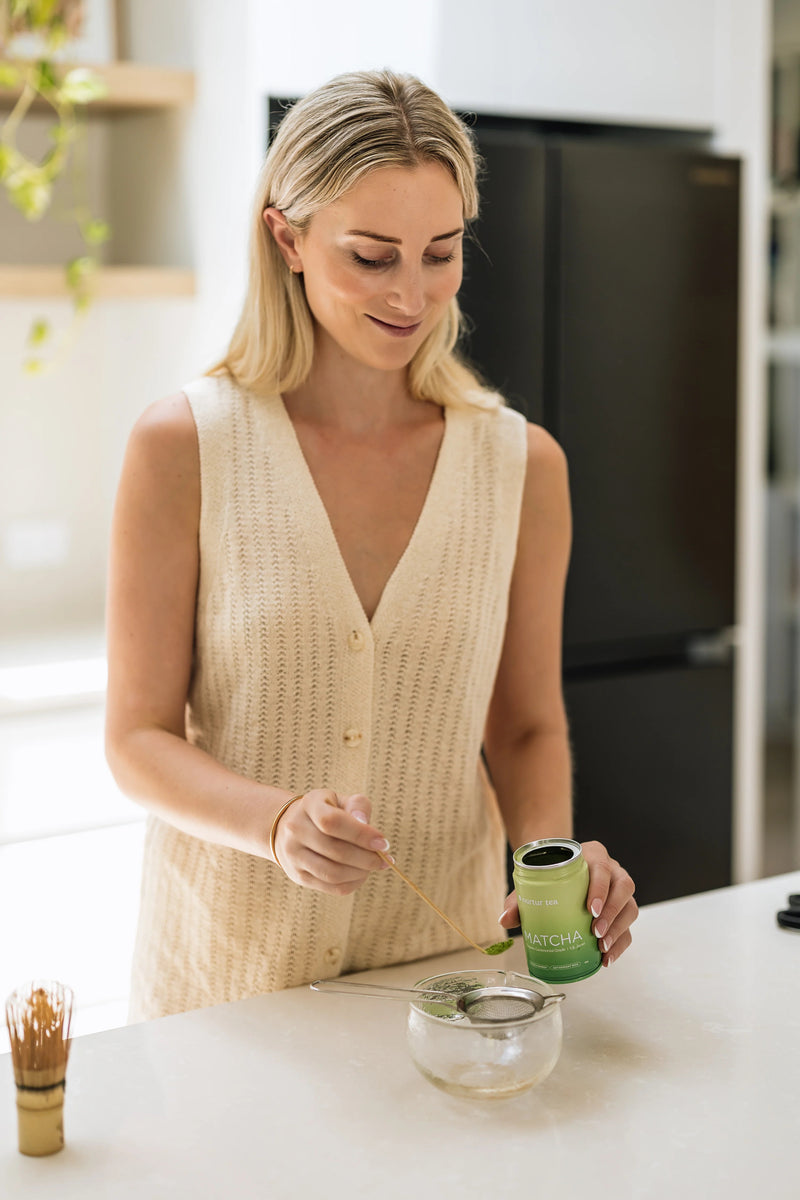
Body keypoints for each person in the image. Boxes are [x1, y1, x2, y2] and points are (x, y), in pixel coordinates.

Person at [105, 69, 638, 1022]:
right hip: (230, 987)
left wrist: (553, 867)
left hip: (441, 983)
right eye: (372, 256)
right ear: (288, 239)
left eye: (441, 253)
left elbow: (524, 727)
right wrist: (271, 824)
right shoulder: (183, 446)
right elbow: (136, 740)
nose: (413, 294)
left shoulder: (523, 465)